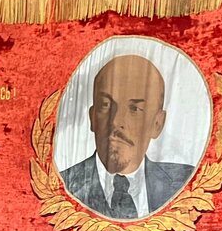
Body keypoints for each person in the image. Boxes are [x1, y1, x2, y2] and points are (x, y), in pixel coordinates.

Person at [60, 54, 196, 219]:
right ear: (92, 117)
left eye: (134, 109)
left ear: (157, 124)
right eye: (106, 105)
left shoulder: (187, 184)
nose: (116, 121)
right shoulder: (62, 185)